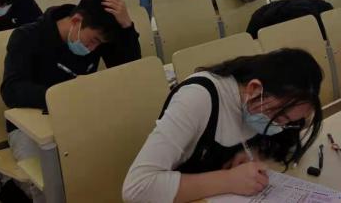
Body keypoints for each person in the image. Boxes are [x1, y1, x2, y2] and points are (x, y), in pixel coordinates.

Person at [122, 48, 323, 203]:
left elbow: (285, 142)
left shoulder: (262, 101)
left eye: (289, 122)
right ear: (254, 88)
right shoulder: (198, 99)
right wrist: (228, 180)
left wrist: (254, 152)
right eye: (280, 118)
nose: (279, 126)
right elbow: (137, 188)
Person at [2, 0, 140, 199]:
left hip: (78, 118)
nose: (93, 49)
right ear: (76, 21)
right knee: (48, 186)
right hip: (29, 125)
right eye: (93, 41)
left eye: (99, 44)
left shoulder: (96, 35)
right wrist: (62, 97)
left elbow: (129, 71)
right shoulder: (27, 36)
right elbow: (11, 90)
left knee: (113, 169)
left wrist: (127, 27)